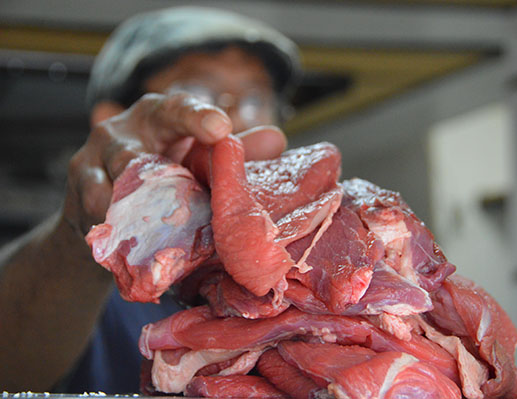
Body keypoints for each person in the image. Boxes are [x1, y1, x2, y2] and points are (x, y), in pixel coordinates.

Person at [0, 7, 301, 393]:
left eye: (254, 101)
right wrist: (83, 234)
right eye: (196, 95)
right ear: (113, 119)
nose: (233, 124)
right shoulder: (82, 285)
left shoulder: (297, 266)